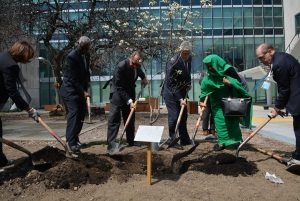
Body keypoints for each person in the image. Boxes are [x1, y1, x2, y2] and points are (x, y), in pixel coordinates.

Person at [256, 43, 300, 162]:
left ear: (270, 51)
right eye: (259, 59)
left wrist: (277, 108)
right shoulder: (282, 58)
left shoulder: (279, 64)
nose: (261, 61)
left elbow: (284, 89)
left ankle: (298, 156)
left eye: (262, 57)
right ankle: (298, 153)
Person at [199, 54, 252, 151]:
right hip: (217, 105)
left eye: (212, 65)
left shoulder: (229, 72)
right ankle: (222, 143)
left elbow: (239, 86)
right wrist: (201, 102)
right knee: (221, 123)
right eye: (208, 66)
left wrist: (230, 84)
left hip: (231, 104)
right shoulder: (208, 79)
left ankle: (235, 141)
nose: (210, 68)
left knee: (233, 123)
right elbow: (203, 92)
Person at [0, 40, 39, 167]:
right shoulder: (10, 65)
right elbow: (12, 92)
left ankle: (1, 160)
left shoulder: (4, 56)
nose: (28, 60)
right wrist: (29, 109)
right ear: (22, 53)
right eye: (28, 56)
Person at [106, 51, 148, 155]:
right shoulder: (121, 66)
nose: (135, 66)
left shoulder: (137, 66)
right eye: (133, 64)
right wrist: (129, 101)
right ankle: (111, 143)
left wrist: (144, 78)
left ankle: (131, 140)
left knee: (130, 117)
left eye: (137, 65)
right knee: (114, 119)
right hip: (118, 93)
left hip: (129, 91)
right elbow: (119, 87)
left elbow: (140, 72)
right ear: (131, 58)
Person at [60, 36, 91, 154]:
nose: (86, 49)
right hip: (70, 91)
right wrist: (83, 92)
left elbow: (85, 71)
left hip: (80, 89)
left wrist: (86, 86)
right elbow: (72, 79)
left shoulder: (86, 55)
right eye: (84, 47)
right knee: (74, 114)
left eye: (87, 48)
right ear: (80, 45)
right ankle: (71, 143)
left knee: (81, 114)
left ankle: (76, 138)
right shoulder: (71, 57)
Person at [163, 41, 193, 147]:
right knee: (174, 116)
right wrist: (180, 99)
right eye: (184, 53)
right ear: (180, 51)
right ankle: (172, 139)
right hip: (170, 93)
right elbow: (171, 83)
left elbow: (187, 73)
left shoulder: (189, 59)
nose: (186, 55)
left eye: (188, 53)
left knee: (183, 116)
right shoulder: (173, 62)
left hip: (182, 91)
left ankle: (184, 139)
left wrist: (188, 84)